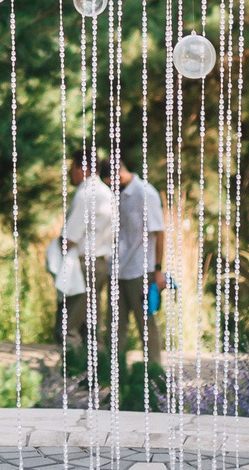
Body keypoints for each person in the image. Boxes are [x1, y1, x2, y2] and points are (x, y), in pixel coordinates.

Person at [46, 156, 115, 365]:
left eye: (72, 168)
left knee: (68, 327)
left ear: (82, 168)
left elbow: (69, 238)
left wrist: (56, 250)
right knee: (91, 327)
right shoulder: (106, 192)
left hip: (84, 265)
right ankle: (99, 372)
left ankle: (73, 372)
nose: (70, 173)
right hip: (100, 262)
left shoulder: (87, 193)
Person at [111, 154, 166, 374]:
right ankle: (116, 373)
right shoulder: (118, 195)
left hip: (141, 270)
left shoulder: (146, 193)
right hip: (118, 270)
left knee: (146, 324)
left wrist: (158, 270)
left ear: (118, 173)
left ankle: (154, 371)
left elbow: (159, 232)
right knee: (116, 326)